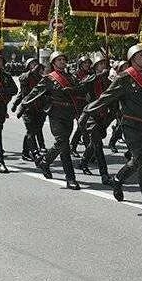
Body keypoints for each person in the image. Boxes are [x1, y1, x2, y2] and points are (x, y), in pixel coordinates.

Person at [85, 44, 142, 219]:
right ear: (132, 58)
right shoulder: (124, 78)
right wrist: (88, 112)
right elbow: (106, 97)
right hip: (131, 126)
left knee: (137, 161)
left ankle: (118, 179)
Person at [24, 51, 88, 190]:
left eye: (63, 60)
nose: (62, 62)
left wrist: (73, 89)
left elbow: (81, 90)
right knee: (63, 143)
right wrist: (24, 103)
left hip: (68, 114)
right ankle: (70, 178)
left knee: (63, 145)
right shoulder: (49, 78)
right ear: (53, 63)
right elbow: (36, 91)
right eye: (59, 60)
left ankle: (45, 161)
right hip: (56, 114)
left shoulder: (71, 77)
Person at [77, 52, 114, 184]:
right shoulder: (90, 78)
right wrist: (99, 75)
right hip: (91, 115)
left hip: (103, 116)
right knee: (98, 145)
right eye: (100, 64)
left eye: (104, 63)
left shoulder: (109, 81)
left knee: (94, 143)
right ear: (95, 66)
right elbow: (83, 83)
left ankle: (83, 162)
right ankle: (104, 174)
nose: (103, 66)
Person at [13, 58, 46, 161]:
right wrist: (15, 104)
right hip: (28, 108)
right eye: (32, 64)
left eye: (36, 64)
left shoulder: (41, 78)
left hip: (39, 108)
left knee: (32, 131)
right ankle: (34, 152)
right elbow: (21, 93)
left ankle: (25, 152)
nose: (35, 65)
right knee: (31, 130)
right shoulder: (25, 77)